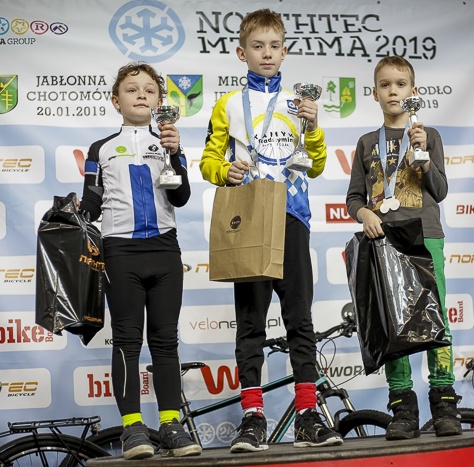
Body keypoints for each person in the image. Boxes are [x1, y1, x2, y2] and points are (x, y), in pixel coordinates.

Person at [199, 8, 343, 453]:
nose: (266, 53)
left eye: (274, 46)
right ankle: (253, 418)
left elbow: (316, 166)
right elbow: (208, 162)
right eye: (257, 46)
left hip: (292, 217)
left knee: (301, 320)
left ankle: (307, 415)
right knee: (250, 324)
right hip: (249, 218)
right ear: (241, 52)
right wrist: (225, 171)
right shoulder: (228, 104)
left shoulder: (300, 103)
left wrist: (313, 127)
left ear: (285, 51)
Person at [79, 62, 201, 460]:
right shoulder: (99, 149)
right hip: (120, 254)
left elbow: (181, 197)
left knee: (165, 342)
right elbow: (92, 202)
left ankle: (170, 424)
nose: (141, 95)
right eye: (132, 89)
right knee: (127, 342)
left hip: (165, 251)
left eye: (150, 90)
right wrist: (72, 216)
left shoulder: (168, 142)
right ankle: (133, 428)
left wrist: (175, 153)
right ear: (116, 101)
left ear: (160, 102)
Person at [345, 55, 462, 440]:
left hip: (425, 236)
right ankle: (402, 408)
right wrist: (364, 213)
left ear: (414, 91)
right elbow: (353, 198)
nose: (393, 91)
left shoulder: (428, 135)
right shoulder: (366, 143)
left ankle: (444, 403)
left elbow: (440, 191)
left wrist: (423, 157)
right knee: (393, 322)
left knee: (435, 317)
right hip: (385, 241)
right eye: (385, 85)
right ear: (375, 93)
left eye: (400, 84)